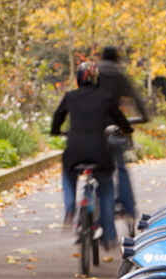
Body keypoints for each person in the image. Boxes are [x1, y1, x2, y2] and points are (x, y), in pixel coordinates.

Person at [50, 61, 133, 247]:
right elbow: (120, 119)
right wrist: (126, 130)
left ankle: (70, 204)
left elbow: (57, 117)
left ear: (79, 80)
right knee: (106, 186)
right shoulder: (105, 97)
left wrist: (56, 131)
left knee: (68, 173)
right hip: (99, 152)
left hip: (74, 151)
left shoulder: (70, 96)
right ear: (96, 79)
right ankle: (109, 233)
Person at [97, 46, 149, 226]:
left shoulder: (93, 73)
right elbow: (135, 96)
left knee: (100, 170)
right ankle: (127, 209)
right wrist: (144, 116)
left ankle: (95, 208)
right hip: (114, 127)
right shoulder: (119, 75)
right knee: (120, 167)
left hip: (93, 129)